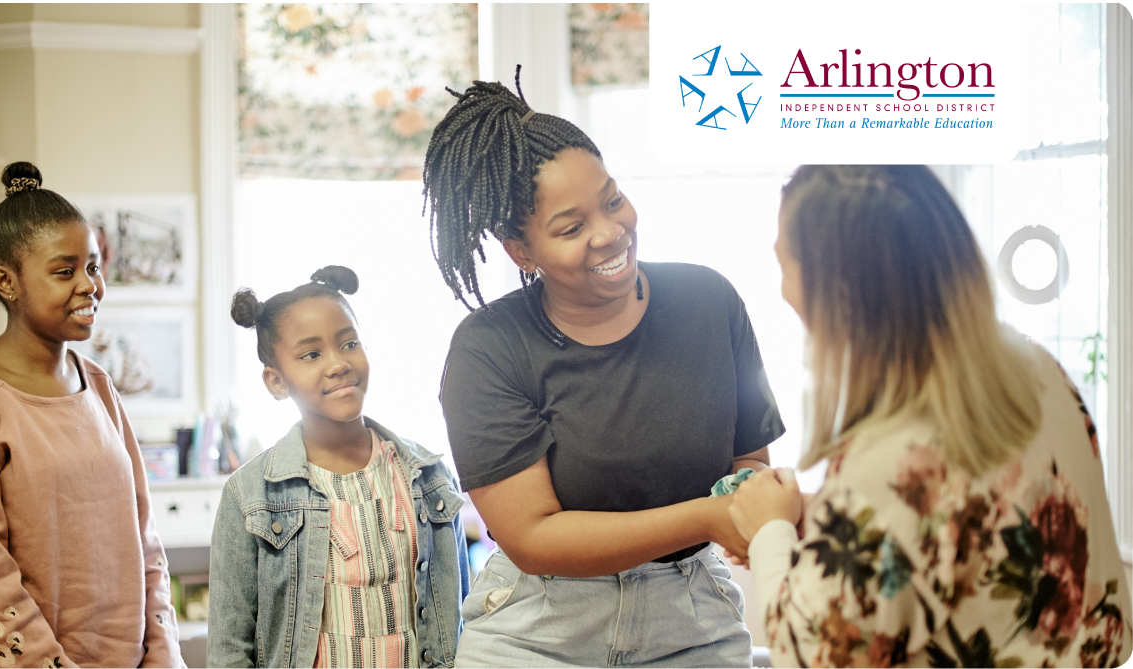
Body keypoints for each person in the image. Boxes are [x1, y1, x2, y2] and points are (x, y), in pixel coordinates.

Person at [424, 69, 785, 667]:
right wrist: (708, 516)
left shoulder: (709, 301)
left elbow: (747, 460)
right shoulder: (488, 348)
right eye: (571, 227)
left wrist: (750, 502)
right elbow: (534, 537)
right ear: (522, 251)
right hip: (539, 630)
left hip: (691, 620)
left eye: (613, 200)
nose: (611, 232)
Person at [729, 165, 1133, 669]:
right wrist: (832, 521)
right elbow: (956, 517)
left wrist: (770, 532)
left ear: (842, 300)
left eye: (784, 266)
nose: (783, 291)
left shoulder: (893, 454)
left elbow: (808, 657)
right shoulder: (1035, 367)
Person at [0, 163, 183, 669]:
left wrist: (163, 655)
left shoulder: (100, 387)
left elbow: (145, 540)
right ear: (7, 281)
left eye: (93, 266)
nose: (90, 285)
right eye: (65, 271)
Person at [208, 266, 468, 669]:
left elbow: (459, 616)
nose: (338, 364)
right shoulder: (249, 496)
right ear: (277, 382)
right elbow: (229, 648)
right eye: (311, 354)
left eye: (349, 344)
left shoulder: (429, 476)